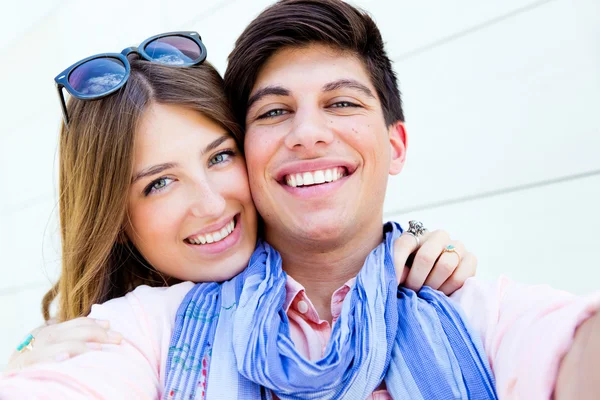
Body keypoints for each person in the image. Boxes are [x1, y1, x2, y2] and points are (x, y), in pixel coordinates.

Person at [2, 29, 475, 389]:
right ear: (115, 220)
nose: (210, 203)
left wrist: (419, 243)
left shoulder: (363, 286)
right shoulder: (118, 333)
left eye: (220, 156)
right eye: (160, 183)